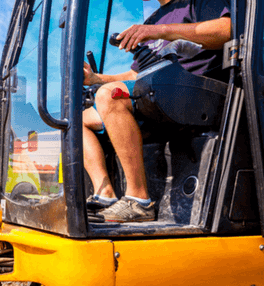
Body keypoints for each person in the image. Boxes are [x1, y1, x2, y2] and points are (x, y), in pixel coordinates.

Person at [83, 0, 231, 222]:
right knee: (77, 122)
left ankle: (138, 200)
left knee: (110, 95)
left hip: (194, 90)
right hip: (158, 93)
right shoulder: (153, 19)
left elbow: (226, 30)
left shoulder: (196, 3)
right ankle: (104, 193)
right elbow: (136, 76)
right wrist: (96, 79)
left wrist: (159, 31)